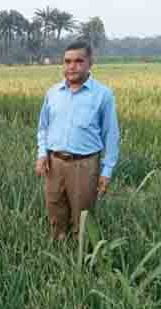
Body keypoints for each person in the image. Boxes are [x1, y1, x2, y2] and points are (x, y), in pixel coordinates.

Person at [35, 41, 121, 240]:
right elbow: (43, 128)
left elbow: (111, 135)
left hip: (84, 165)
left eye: (78, 61)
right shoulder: (53, 93)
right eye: (67, 61)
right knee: (55, 212)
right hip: (54, 163)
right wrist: (41, 155)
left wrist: (107, 171)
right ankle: (58, 254)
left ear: (90, 63)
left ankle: (81, 261)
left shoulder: (103, 95)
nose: (71, 66)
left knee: (82, 219)